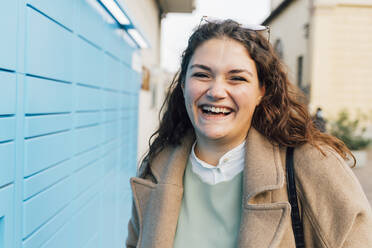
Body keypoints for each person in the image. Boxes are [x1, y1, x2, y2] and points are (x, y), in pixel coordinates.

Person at [126, 19, 372, 247]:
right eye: (202, 75)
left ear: (261, 91)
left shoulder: (312, 165)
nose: (216, 91)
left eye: (237, 78)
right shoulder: (155, 167)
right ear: (182, 85)